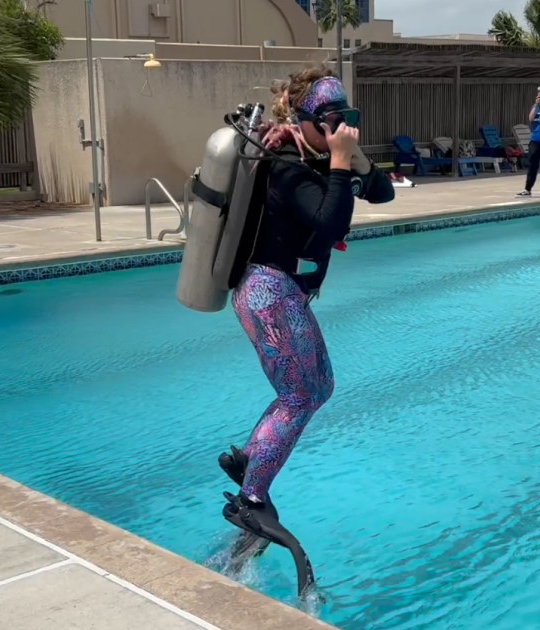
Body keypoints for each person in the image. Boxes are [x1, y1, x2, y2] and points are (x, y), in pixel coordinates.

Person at [219, 65, 395, 530]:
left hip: (283, 293)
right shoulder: (286, 164)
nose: (343, 129)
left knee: (319, 386)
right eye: (333, 121)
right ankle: (250, 499)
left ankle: (252, 457)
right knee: (300, 394)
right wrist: (339, 163)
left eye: (348, 118)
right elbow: (331, 222)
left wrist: (353, 159)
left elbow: (383, 193)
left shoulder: (315, 157)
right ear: (307, 121)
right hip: (268, 291)